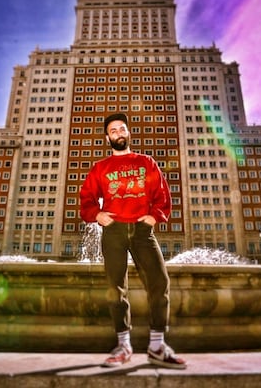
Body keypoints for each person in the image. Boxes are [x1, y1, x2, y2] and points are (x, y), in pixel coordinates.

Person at [80, 113, 186, 369]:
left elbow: (162, 195)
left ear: (128, 134)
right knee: (116, 288)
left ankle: (157, 346)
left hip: (141, 231)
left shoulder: (146, 162)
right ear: (108, 137)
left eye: (122, 129)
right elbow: (86, 200)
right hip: (114, 230)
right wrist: (97, 214)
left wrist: (154, 217)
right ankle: (123, 345)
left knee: (160, 282)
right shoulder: (100, 168)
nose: (118, 133)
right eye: (113, 130)